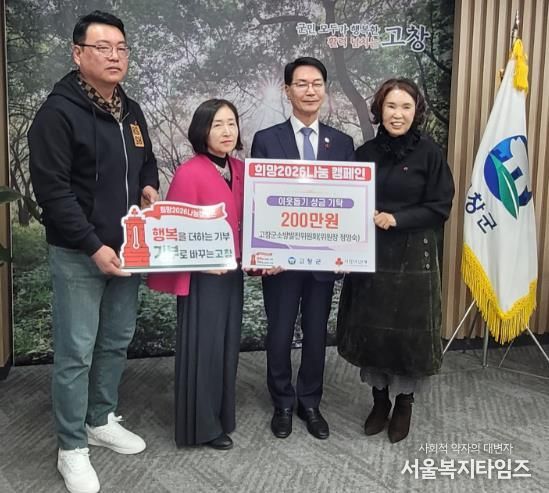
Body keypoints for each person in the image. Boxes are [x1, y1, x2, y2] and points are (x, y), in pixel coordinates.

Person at [28, 10, 159, 493]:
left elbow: (147, 163)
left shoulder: (131, 110)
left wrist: (149, 187)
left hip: (129, 249)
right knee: (76, 352)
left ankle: (100, 419)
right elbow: (53, 193)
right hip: (79, 254)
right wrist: (92, 246)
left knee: (115, 340)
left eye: (121, 48)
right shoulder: (57, 114)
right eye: (103, 47)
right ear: (77, 53)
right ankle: (71, 446)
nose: (114, 56)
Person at [336, 78, 454, 443]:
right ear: (379, 110)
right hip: (370, 255)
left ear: (416, 111)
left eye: (405, 107)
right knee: (372, 332)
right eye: (391, 106)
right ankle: (379, 401)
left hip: (414, 256)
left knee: (408, 337)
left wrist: (397, 218)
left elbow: (440, 206)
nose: (397, 114)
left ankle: (404, 403)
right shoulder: (364, 152)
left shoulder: (430, 153)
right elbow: (346, 201)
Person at [251, 57, 355, 440]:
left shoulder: (342, 143)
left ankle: (309, 401)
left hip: (323, 260)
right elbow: (258, 200)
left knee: (315, 334)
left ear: (325, 90)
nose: (309, 91)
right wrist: (263, 252)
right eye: (301, 84)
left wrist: (348, 249)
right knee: (279, 334)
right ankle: (282, 400)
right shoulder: (267, 139)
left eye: (316, 84)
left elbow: (349, 202)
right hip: (280, 260)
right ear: (287, 90)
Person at [148, 99, 244, 451]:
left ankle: (221, 416)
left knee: (227, 347)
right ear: (202, 130)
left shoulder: (240, 168)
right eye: (217, 124)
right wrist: (200, 263)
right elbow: (172, 235)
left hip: (232, 273)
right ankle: (201, 426)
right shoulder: (189, 172)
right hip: (203, 277)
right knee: (204, 351)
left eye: (231, 123)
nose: (226, 131)